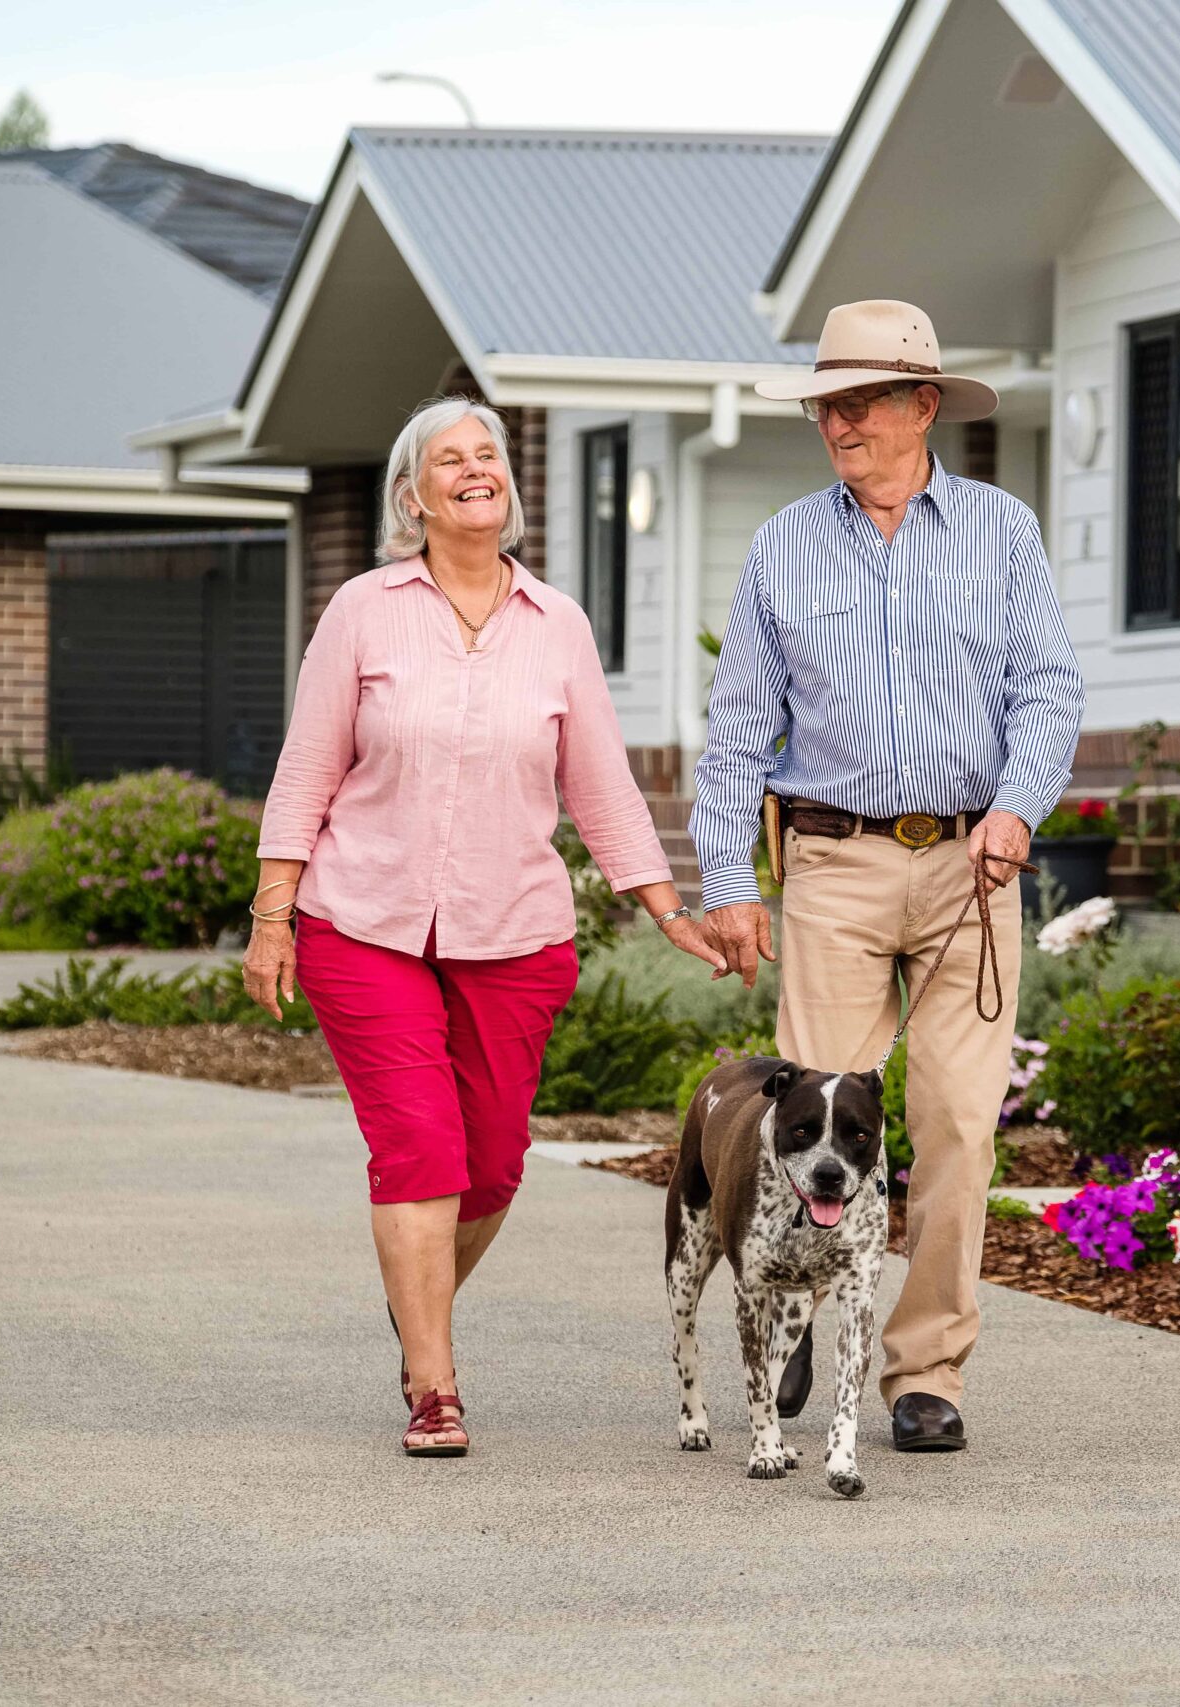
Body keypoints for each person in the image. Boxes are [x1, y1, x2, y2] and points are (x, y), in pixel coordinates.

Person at [245, 396, 723, 1458]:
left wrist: (664, 905)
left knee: (494, 1162)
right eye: (449, 459)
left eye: (489, 456)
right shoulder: (364, 611)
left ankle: (416, 1309)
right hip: (362, 921)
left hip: (511, 932)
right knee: (419, 1148)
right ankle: (435, 1382)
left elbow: (600, 784)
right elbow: (306, 771)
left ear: (507, 487)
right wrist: (272, 916)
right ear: (411, 498)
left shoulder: (556, 625)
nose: (476, 469)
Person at [695, 300, 1083, 1452]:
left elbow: (1048, 692)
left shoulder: (1004, 534)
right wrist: (728, 879)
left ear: (924, 405)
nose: (839, 421)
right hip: (832, 862)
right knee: (811, 1110)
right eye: (828, 403)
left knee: (959, 1122)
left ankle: (927, 1373)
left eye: (861, 400)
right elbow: (736, 730)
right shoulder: (782, 545)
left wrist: (1017, 812)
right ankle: (814, 1304)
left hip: (972, 860)